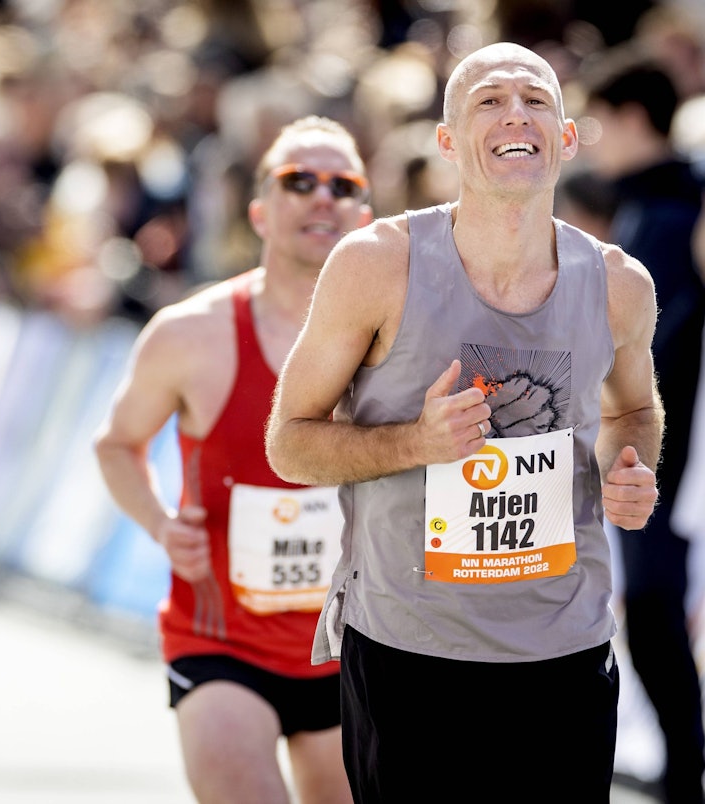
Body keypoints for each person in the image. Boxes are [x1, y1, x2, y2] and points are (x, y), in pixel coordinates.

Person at [265, 42, 662, 804]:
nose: (516, 113)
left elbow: (634, 409)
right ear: (448, 142)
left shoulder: (618, 283)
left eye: (536, 100)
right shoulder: (378, 264)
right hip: (411, 652)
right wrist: (417, 442)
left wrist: (629, 466)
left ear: (567, 137)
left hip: (565, 651)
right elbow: (290, 441)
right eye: (489, 100)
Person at [94, 115, 371, 804]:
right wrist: (162, 527)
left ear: (365, 213)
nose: (322, 197)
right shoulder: (193, 334)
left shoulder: (394, 341)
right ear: (259, 211)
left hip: (350, 645)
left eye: (343, 185)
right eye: (298, 181)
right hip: (221, 645)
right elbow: (117, 445)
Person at [580, 48, 705, 804]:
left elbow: (655, 350)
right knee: (653, 615)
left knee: (657, 612)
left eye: (599, 122)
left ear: (633, 119)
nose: (594, 139)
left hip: (672, 453)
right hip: (661, 450)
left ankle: (686, 774)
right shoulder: (653, 204)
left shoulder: (668, 211)